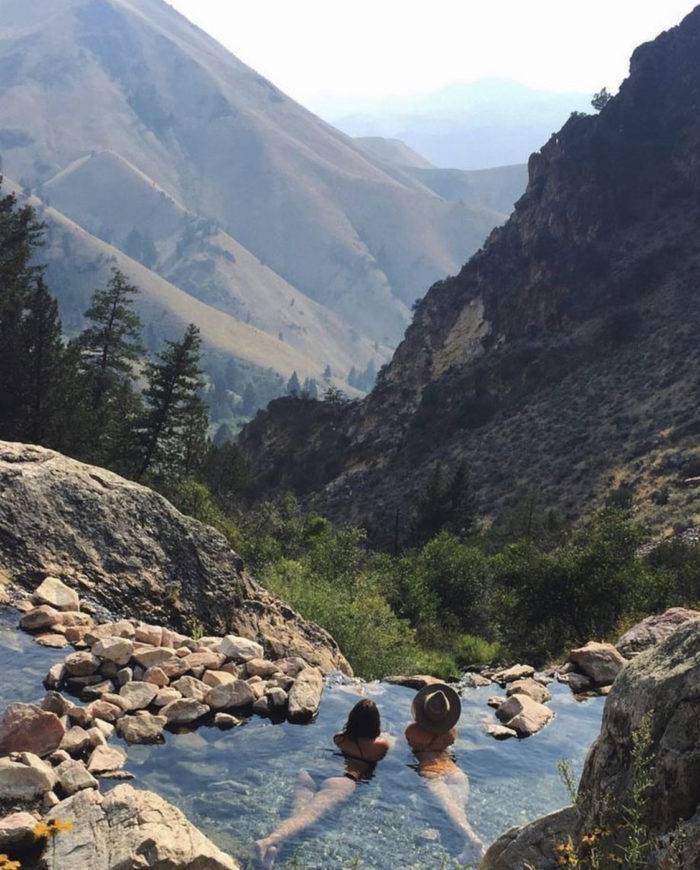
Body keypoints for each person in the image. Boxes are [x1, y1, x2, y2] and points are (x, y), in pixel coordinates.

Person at [255, 698, 390, 868]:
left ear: (352, 718)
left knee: (298, 815)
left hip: (313, 773)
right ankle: (267, 841)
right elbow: (385, 750)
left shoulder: (339, 738)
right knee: (308, 816)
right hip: (343, 778)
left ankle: (273, 850)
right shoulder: (380, 745)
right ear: (375, 722)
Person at [405, 683, 485, 865]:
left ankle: (473, 840)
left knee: (451, 809)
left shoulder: (412, 731)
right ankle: (471, 846)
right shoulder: (451, 732)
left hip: (431, 772)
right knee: (457, 811)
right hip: (455, 772)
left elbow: (410, 747)